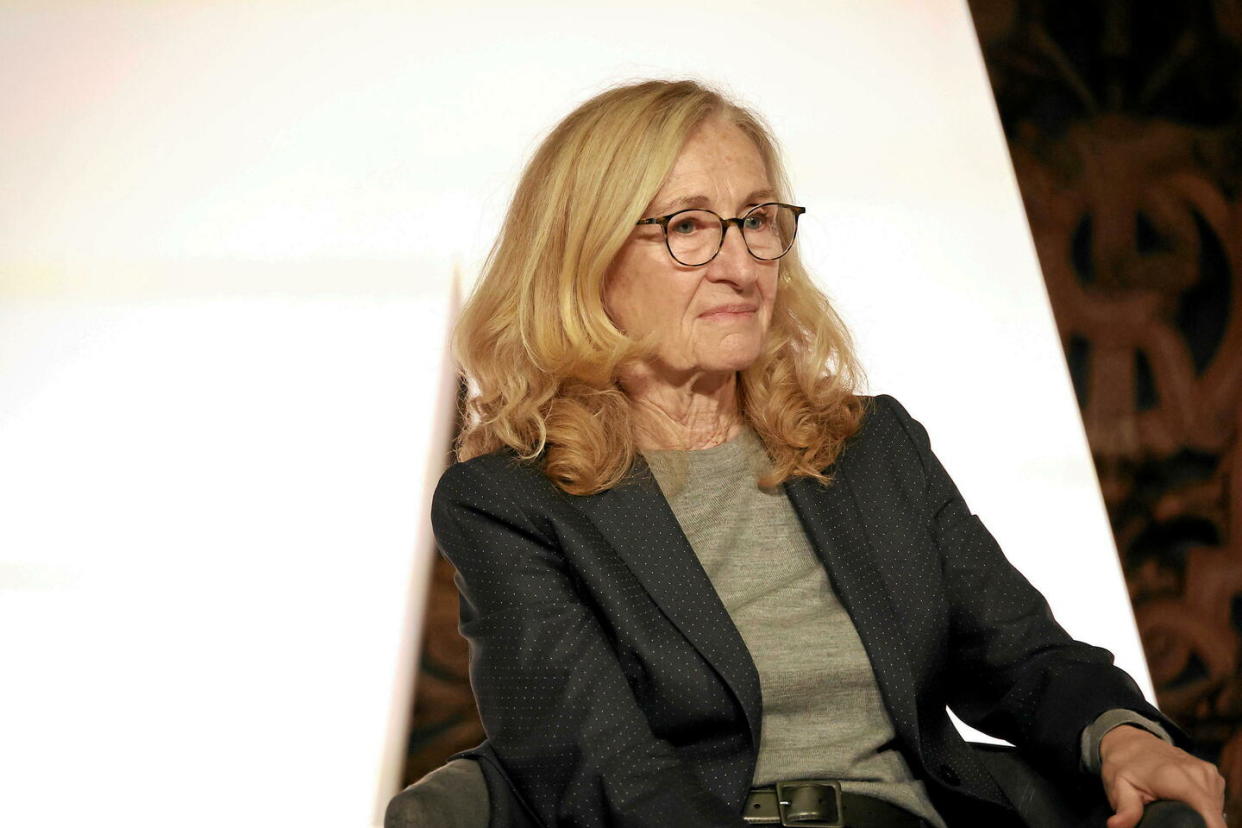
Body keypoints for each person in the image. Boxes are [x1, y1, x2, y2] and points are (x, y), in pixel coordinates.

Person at [430, 79, 1225, 827]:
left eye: (757, 220)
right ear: (586, 259)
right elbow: (610, 779)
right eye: (688, 227)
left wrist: (1122, 735)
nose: (742, 267)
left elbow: (1021, 655)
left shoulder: (871, 448)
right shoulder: (512, 504)